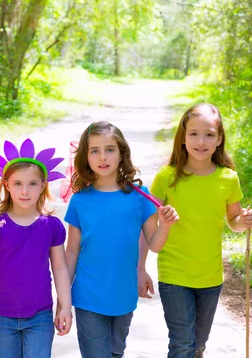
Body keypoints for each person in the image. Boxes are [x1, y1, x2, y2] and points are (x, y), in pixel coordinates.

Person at [138, 103, 252, 358]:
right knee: (182, 343)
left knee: (198, 343)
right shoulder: (167, 177)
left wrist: (244, 220)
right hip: (174, 274)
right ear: (182, 138)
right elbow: (146, 226)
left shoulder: (228, 178)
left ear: (219, 139)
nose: (201, 141)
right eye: (193, 133)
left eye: (209, 134)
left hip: (210, 276)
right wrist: (141, 268)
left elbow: (233, 220)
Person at [64, 121, 179, 358]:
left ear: (121, 153)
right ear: (86, 156)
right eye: (94, 150)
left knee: (116, 353)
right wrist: (63, 298)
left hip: (124, 296)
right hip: (88, 295)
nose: (102, 157)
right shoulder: (80, 201)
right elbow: (72, 251)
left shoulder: (139, 197)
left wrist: (165, 225)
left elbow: (155, 244)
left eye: (110, 149)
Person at [0, 139, 72, 358]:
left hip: (40, 317)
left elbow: (60, 269)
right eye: (18, 184)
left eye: (32, 184)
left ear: (43, 184)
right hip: (3, 318)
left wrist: (65, 306)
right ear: (7, 184)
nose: (25, 191)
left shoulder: (51, 226)